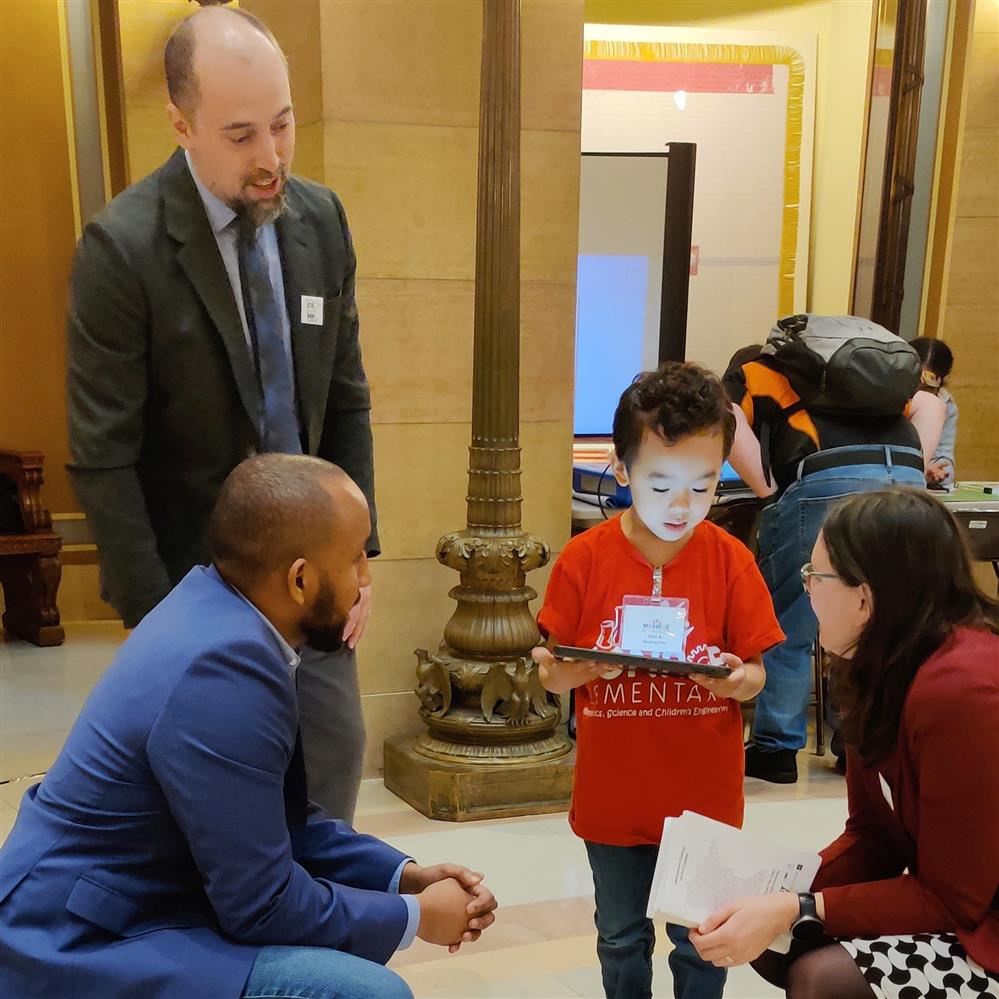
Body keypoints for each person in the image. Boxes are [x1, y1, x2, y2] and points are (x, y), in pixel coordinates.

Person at [0, 455, 498, 999]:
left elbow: (281, 821)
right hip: (76, 933)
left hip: (124, 897)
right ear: (301, 579)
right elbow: (261, 906)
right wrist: (414, 917)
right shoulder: (225, 667)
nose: (365, 579)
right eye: (355, 558)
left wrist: (402, 876)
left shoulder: (220, 610)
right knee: (366, 994)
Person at [66, 5, 371, 819]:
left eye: (282, 124)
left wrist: (359, 556)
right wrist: (150, 615)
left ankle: (327, 945)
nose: (270, 158)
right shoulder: (122, 249)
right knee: (220, 830)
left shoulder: (321, 221)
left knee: (328, 804)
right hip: (196, 593)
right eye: (240, 135)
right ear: (180, 123)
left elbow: (345, 399)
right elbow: (102, 451)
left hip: (315, 590)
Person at [533, 363, 785, 999]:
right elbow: (551, 673)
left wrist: (735, 682)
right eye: (661, 483)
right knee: (619, 936)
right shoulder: (585, 559)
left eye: (702, 488)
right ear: (621, 470)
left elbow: (756, 673)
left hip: (704, 799)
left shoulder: (730, 560)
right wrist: (576, 668)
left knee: (703, 941)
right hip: (613, 800)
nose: (682, 506)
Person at [687, 488, 999, 999]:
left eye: (815, 577)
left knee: (822, 977)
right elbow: (874, 836)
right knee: (775, 939)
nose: (806, 590)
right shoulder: (881, 668)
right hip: (967, 910)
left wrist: (799, 907)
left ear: (865, 595)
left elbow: (954, 899)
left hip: (985, 926)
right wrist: (773, 892)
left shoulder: (965, 690)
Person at [724, 327, 943, 783]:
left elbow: (722, 414)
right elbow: (932, 403)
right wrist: (908, 467)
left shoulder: (753, 372)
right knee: (879, 615)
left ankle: (775, 749)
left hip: (824, 482)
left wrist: (769, 490)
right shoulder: (866, 385)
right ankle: (858, 740)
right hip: (903, 479)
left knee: (793, 613)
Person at [912, 337, 959, 487]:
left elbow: (945, 462)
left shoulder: (946, 406)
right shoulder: (887, 398)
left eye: (926, 390)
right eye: (913, 388)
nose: (919, 397)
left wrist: (935, 473)